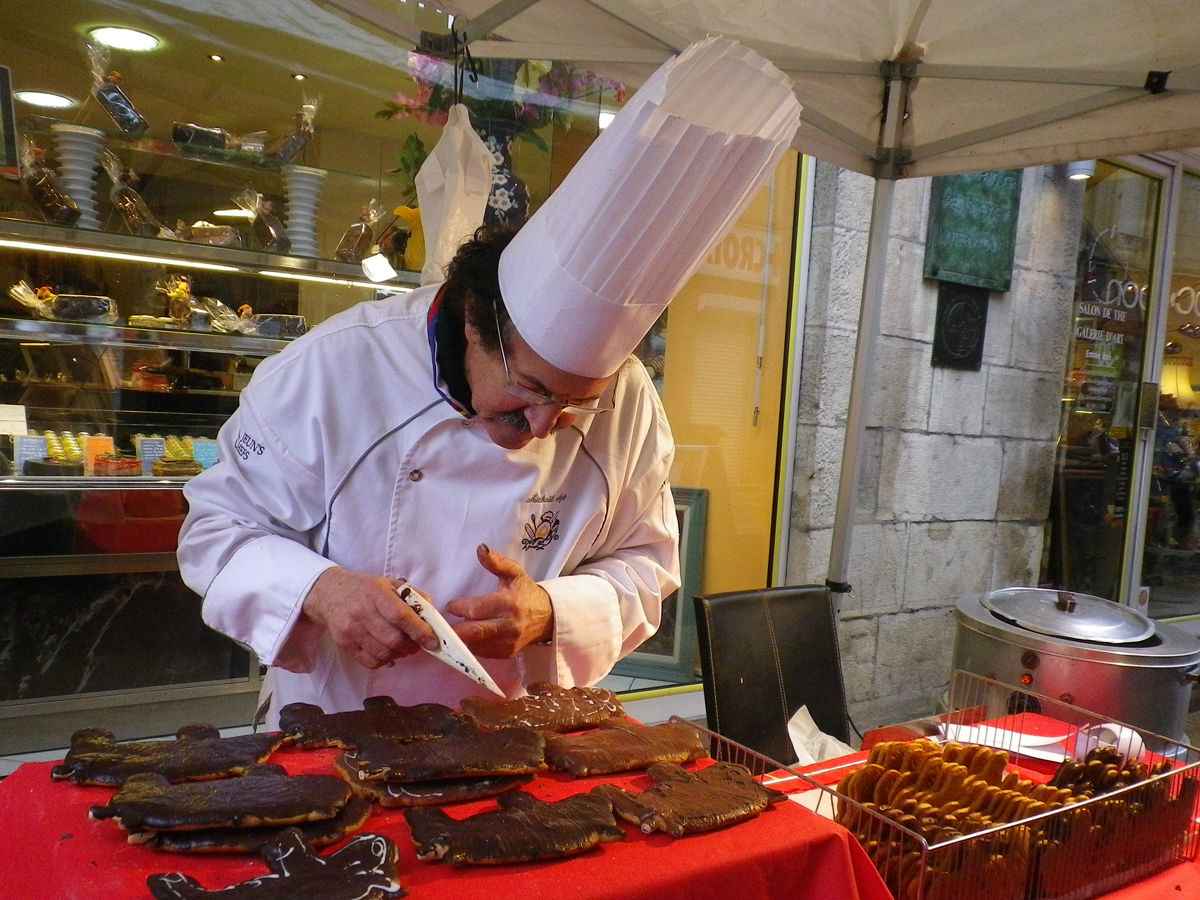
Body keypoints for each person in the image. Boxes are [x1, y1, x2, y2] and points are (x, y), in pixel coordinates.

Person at [176, 36, 801, 726]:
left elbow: (646, 568)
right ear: (475, 321)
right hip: (334, 726)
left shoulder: (629, 401)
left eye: (575, 406)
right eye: (532, 392)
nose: (545, 426)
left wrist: (552, 611)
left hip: (519, 732)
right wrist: (322, 589)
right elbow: (215, 532)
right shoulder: (329, 370)